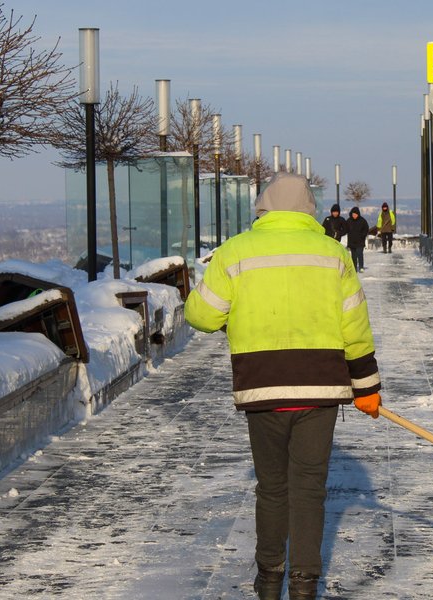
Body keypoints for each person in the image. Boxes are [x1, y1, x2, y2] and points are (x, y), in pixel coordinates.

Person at [184, 172, 382, 600]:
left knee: (272, 488)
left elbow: (201, 316)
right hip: (320, 391)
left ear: (263, 207)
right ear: (310, 209)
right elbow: (355, 327)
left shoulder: (236, 252)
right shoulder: (333, 254)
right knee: (309, 489)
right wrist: (365, 387)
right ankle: (305, 584)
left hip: (263, 389)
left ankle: (269, 579)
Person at [346, 206, 370, 272]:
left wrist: (363, 235)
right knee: (353, 256)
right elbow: (345, 229)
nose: (354, 216)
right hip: (352, 242)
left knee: (360, 254)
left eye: (356, 214)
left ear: (358, 214)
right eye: (353, 214)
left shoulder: (362, 221)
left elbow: (366, 229)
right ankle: (354, 267)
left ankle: (361, 267)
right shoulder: (349, 221)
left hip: (360, 242)